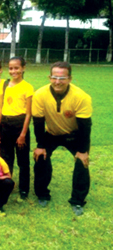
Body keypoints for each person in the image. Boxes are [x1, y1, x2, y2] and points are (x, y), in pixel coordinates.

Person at [32, 61, 92, 216]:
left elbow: (85, 126)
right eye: (54, 77)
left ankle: (77, 201)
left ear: (70, 79)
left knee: (82, 163)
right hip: (51, 133)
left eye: (62, 78)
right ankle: (42, 194)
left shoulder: (81, 97)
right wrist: (40, 145)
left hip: (74, 134)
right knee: (41, 157)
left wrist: (83, 151)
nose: (57, 81)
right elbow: (38, 122)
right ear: (49, 77)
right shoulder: (40, 94)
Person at [0, 57, 33, 202]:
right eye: (11, 68)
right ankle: (7, 185)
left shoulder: (27, 87)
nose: (13, 71)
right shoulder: (5, 85)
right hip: (5, 124)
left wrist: (23, 134)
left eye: (17, 68)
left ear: (23, 68)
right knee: (6, 158)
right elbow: (1, 108)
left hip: (19, 124)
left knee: (23, 161)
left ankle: (24, 189)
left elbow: (28, 113)